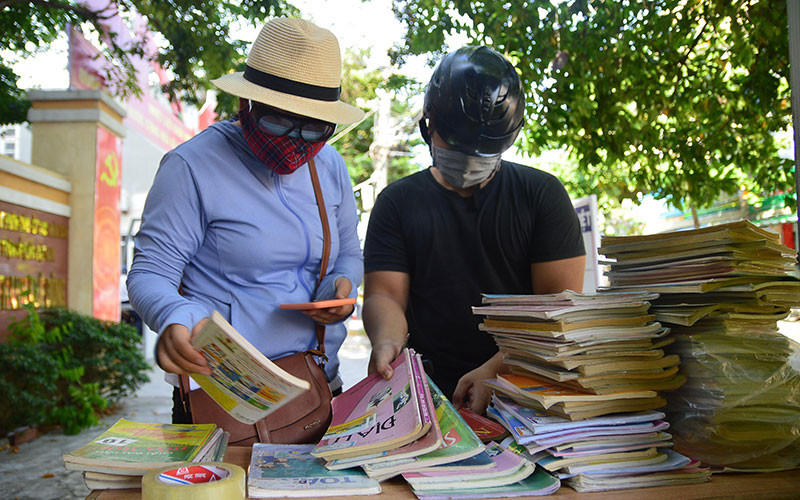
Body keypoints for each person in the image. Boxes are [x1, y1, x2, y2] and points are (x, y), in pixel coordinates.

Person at [126, 17, 364, 424]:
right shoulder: (191, 166)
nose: (295, 142)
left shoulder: (330, 166)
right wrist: (173, 316)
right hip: (225, 398)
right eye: (278, 121)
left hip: (319, 387)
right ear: (246, 104)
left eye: (313, 129)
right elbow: (149, 273)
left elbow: (349, 255)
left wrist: (340, 290)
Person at [362, 46, 586, 414]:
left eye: (483, 150)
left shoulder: (542, 195)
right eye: (456, 144)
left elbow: (556, 309)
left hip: (524, 391)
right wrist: (387, 343)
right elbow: (385, 295)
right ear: (428, 123)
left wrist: (497, 370)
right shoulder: (397, 202)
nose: (469, 159)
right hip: (423, 393)